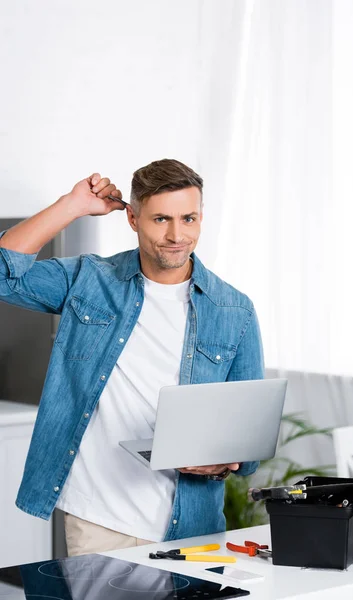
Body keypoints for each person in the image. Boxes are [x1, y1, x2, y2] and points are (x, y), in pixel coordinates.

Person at [0, 159, 264, 556]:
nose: (177, 235)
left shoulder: (235, 311)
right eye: (160, 219)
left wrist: (229, 460)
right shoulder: (90, 280)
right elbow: (5, 274)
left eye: (189, 218)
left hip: (194, 524)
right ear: (133, 218)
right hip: (100, 517)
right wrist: (71, 205)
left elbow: (249, 441)